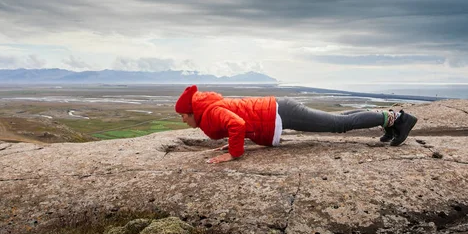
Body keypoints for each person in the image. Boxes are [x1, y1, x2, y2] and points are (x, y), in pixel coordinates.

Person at [175, 85, 418, 164]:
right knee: (339, 119)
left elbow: (237, 125)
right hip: (279, 111)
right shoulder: (209, 111)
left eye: (183, 115)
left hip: (281, 113)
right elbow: (238, 124)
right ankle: (388, 118)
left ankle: (399, 119)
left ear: (192, 111)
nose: (183, 120)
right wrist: (230, 145)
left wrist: (234, 153)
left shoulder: (211, 111)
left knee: (339, 124)